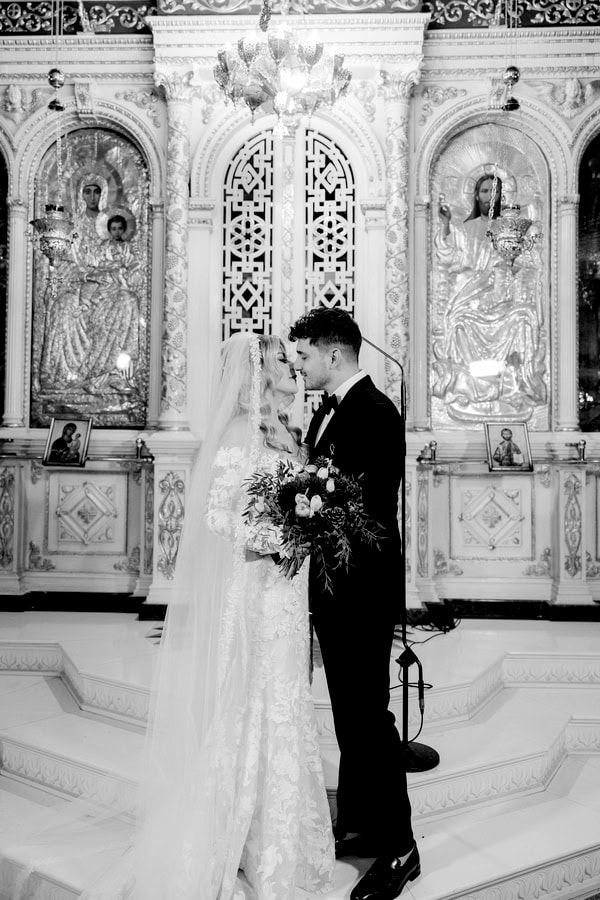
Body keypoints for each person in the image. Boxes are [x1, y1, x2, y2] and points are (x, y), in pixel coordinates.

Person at [289, 307, 419, 900]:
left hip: (362, 590)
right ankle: (364, 824)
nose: (302, 368)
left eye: (307, 357)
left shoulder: (374, 412)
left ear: (334, 354)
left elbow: (362, 508)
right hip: (335, 590)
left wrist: (301, 500)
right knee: (348, 717)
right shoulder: (331, 410)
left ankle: (401, 847)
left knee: (369, 720)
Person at [433, 173, 546, 421]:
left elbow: (524, 262)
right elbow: (449, 257)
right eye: (485, 191)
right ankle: (472, 389)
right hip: (472, 296)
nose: (489, 196)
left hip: (501, 297)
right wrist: (445, 224)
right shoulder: (466, 229)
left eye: (495, 191)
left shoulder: (508, 231)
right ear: (475, 195)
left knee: (523, 319)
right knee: (460, 320)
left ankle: (511, 388)